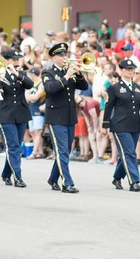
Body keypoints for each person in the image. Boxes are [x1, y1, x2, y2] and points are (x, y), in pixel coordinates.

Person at [103, 59, 140, 191]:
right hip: (120, 125)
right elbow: (108, 107)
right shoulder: (115, 88)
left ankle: (117, 177)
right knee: (130, 153)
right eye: (127, 69)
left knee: (127, 153)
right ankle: (134, 181)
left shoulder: (137, 88)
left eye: (132, 69)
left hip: (134, 125)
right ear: (121, 71)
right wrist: (105, 125)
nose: (131, 71)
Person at [42, 43, 89, 193]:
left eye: (65, 55)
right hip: (55, 117)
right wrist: (67, 75)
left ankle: (53, 178)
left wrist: (78, 73)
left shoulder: (71, 72)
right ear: (54, 57)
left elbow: (84, 87)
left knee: (66, 150)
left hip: (69, 116)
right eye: (61, 55)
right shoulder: (48, 72)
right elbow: (51, 88)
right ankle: (67, 183)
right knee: (62, 150)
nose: (64, 57)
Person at [0, 49, 33, 187]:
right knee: (12, 146)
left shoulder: (21, 74)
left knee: (16, 147)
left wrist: (16, 73)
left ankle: (6, 174)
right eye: (13, 59)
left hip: (21, 114)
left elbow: (30, 84)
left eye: (18, 59)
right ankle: (17, 177)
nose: (16, 62)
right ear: (6, 60)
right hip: (6, 115)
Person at [26, 67, 45, 159]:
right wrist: (30, 97)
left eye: (29, 74)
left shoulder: (41, 83)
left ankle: (34, 152)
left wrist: (30, 97)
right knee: (32, 131)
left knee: (37, 131)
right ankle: (39, 151)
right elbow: (27, 97)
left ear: (33, 73)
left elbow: (36, 97)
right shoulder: (31, 84)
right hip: (31, 109)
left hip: (38, 109)